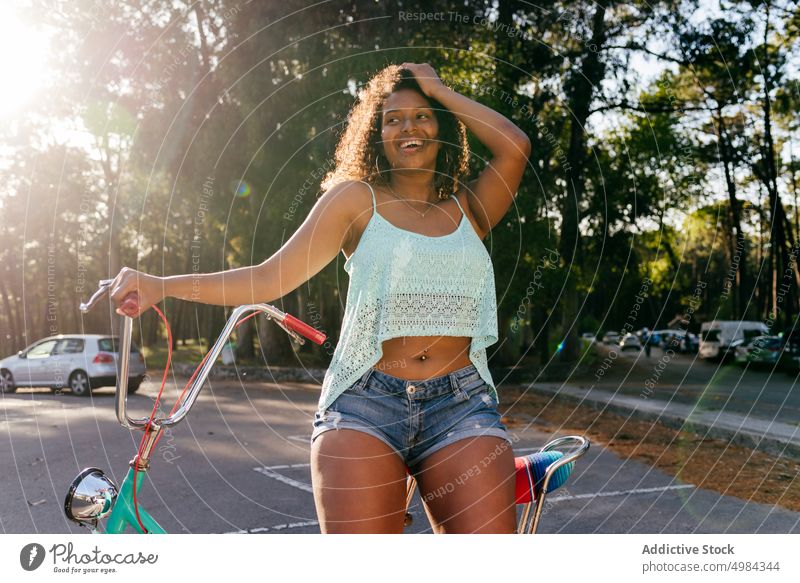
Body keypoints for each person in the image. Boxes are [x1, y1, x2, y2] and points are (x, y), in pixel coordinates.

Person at [109, 62, 531, 533]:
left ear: (444, 126)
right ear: (376, 133)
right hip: (366, 405)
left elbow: (515, 147)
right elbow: (267, 278)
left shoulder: (470, 207)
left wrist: (439, 89)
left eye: (422, 115)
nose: (408, 127)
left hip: (461, 406)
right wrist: (161, 285)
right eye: (392, 119)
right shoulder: (354, 199)